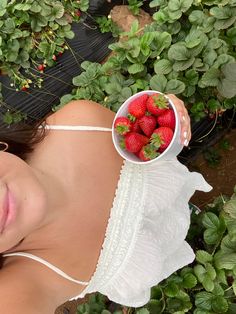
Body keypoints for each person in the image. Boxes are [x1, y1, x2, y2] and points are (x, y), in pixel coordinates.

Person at [0, 95, 211, 313]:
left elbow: (143, 141)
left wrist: (165, 117)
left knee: (173, 205)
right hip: (164, 251)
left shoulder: (81, 119)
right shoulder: (26, 279)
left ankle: (184, 210)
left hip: (167, 200)